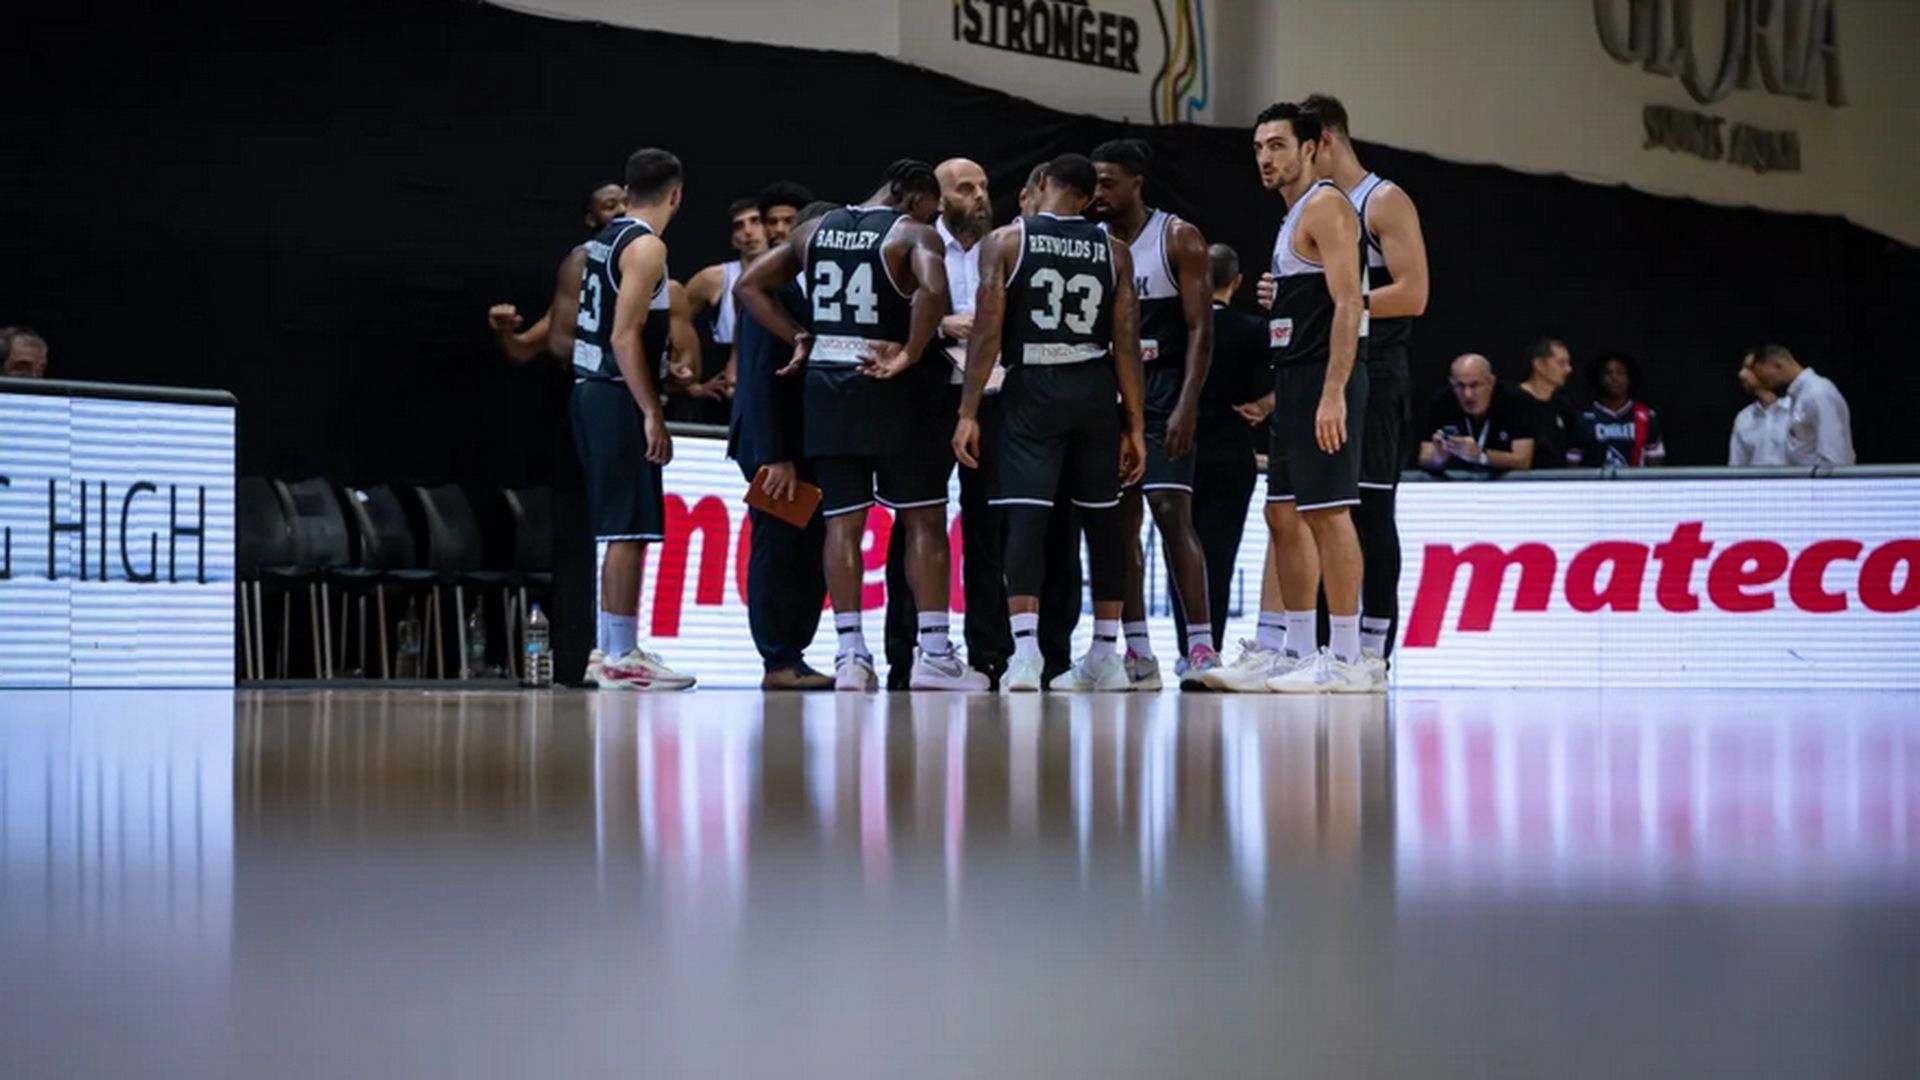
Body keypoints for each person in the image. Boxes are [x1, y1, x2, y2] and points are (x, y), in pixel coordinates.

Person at [736, 160, 988, 693]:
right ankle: (934, 655)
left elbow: (750, 284)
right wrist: (912, 351)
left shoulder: (812, 231)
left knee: (841, 526)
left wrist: (799, 336)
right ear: (913, 197)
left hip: (826, 393)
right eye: (931, 209)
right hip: (892, 393)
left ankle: (851, 655)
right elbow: (932, 290)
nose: (932, 218)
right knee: (924, 520)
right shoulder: (912, 233)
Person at [953, 153, 1145, 692]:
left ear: (1040, 184)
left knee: (1026, 518)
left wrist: (968, 411)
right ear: (1089, 198)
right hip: (1093, 385)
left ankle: (1026, 656)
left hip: (1033, 386)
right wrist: (1134, 424)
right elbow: (1126, 343)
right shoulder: (1115, 250)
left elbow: (987, 332)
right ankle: (1106, 655)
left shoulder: (1006, 242)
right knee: (1104, 523)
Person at [1239, 102, 1376, 694]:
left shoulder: (1326, 205)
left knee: (1328, 511)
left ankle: (1348, 657)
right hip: (1292, 378)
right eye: (1259, 148)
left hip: (1323, 377)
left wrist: (1334, 392)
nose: (1266, 158)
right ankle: (1296, 649)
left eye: (1277, 145)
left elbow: (1350, 302)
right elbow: (1318, 296)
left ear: (1311, 148)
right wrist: (1284, 298)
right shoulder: (1293, 216)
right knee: (1282, 513)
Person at [1299, 92, 1429, 662]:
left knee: (1372, 509)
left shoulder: (1383, 200)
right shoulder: (1313, 207)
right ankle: (1328, 643)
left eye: (1302, 148)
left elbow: (1415, 294)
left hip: (1377, 370)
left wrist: (1340, 303)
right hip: (1331, 368)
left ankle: (1375, 647)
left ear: (1324, 141)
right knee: (1326, 511)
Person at [1088, 138, 1218, 689]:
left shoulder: (1177, 236)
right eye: (1093, 182)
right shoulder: (1091, 241)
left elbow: (1201, 328)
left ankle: (1201, 646)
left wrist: (1188, 402)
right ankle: (1138, 652)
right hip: (1109, 391)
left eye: (1108, 182)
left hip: (1163, 387)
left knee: (1169, 510)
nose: (1097, 192)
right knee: (1119, 524)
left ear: (1136, 182)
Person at [569, 148, 696, 690]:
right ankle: (621, 655)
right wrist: (651, 411)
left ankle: (607, 648)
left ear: (626, 191)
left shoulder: (604, 238)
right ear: (676, 194)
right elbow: (623, 336)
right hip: (616, 392)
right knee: (628, 529)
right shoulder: (647, 245)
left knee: (621, 527)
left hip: (590, 387)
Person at [729, 188, 834, 690]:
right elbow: (758, 376)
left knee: (808, 547)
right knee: (778, 547)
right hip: (774, 446)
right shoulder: (769, 289)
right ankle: (777, 659)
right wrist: (775, 455)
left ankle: (795, 655)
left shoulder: (824, 288)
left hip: (806, 444)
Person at [1177, 244, 1269, 655]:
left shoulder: (1179, 328)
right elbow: (1291, 374)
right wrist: (1265, 406)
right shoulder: (1252, 329)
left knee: (1181, 555)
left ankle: (1188, 650)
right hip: (1232, 453)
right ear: (1238, 282)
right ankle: (1208, 649)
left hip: (1180, 452)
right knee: (1220, 557)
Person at [487, 182, 624, 363]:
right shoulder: (582, 263)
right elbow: (527, 349)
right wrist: (504, 332)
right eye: (610, 206)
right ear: (591, 219)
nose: (623, 211)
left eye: (629, 203)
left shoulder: (652, 254)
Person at [675, 197, 769, 418]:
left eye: (755, 221)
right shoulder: (715, 278)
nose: (748, 231)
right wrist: (690, 385)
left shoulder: (792, 275)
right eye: (739, 226)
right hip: (726, 391)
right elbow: (673, 323)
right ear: (732, 239)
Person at [1419, 354, 1536, 474]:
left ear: (1491, 381)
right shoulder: (1441, 402)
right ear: (1451, 382)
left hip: (1508, 482)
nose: (1468, 394)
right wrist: (1438, 458)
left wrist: (1481, 456)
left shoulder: (1516, 401)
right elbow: (1424, 458)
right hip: (1458, 481)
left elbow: (1523, 461)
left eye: (1475, 385)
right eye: (1460, 386)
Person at [1748, 343, 1855, 465]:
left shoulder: (1817, 393)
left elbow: (1834, 453)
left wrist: (1828, 476)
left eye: (1766, 378)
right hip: (1803, 474)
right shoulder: (1800, 395)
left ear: (1777, 365)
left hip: (1820, 476)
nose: (1766, 384)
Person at [1568, 352, 1665, 467]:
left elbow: (1655, 461)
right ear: (1598, 378)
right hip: (1594, 478)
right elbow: (1572, 462)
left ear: (1629, 378)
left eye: (1620, 373)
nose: (1614, 378)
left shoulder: (1646, 416)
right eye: (1608, 373)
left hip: (1634, 478)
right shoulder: (1582, 417)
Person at [1515, 336, 1577, 469]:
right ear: (1539, 365)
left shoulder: (1563, 405)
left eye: (1568, 363)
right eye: (1561, 363)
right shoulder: (1513, 401)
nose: (1569, 369)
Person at [1729, 348, 1793, 466]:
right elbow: (1736, 467)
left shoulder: (1797, 410)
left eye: (1749, 368)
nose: (1742, 374)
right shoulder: (1744, 418)